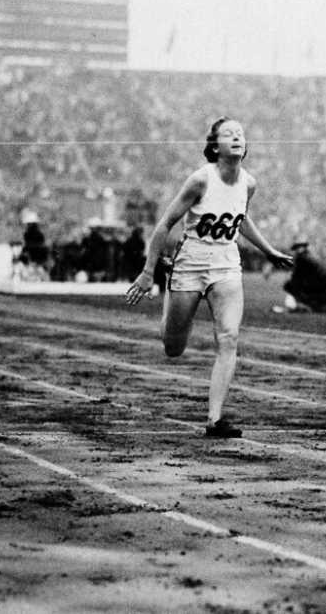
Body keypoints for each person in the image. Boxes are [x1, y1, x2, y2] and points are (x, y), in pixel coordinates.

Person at [125, 117, 293, 438]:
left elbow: (241, 220)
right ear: (215, 146)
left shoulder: (249, 183)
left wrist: (269, 250)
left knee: (229, 338)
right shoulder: (200, 180)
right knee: (173, 347)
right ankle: (169, 296)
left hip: (227, 266)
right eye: (229, 134)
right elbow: (164, 225)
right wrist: (149, 272)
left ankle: (214, 420)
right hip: (189, 264)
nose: (236, 137)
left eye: (241, 134)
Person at [280, 241, 326, 312]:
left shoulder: (302, 259)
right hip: (324, 287)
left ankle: (304, 304)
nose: (297, 250)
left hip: (318, 287)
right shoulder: (309, 256)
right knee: (294, 285)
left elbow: (296, 277)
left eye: (298, 248)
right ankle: (312, 304)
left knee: (290, 285)